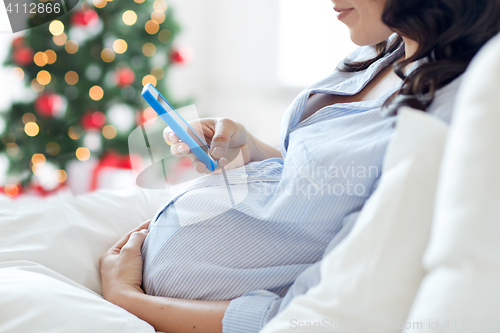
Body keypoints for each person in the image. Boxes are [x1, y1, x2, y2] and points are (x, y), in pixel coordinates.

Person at [99, 0, 500, 332]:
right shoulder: (388, 48)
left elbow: (305, 315)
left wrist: (128, 300)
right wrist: (250, 147)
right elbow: (319, 192)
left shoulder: (449, 117)